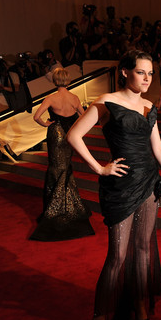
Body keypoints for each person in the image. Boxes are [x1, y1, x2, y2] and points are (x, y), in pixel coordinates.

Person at [67, 50, 161, 320]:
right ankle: (99, 319)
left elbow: (156, 146)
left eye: (151, 73)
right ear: (125, 72)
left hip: (149, 182)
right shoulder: (107, 102)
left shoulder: (149, 106)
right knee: (116, 257)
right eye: (141, 72)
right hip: (121, 187)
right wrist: (100, 168)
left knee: (143, 248)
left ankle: (140, 304)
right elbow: (74, 135)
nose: (147, 79)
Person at [30, 68, 94, 241]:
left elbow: (36, 116)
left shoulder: (51, 98)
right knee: (66, 167)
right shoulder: (74, 98)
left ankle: (54, 209)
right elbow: (85, 115)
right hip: (71, 134)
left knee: (55, 168)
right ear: (68, 80)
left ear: (55, 81)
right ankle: (68, 206)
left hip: (56, 133)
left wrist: (46, 124)